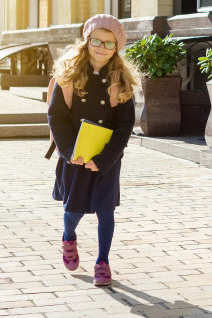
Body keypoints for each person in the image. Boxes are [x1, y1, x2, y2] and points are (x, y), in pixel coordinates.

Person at [47, 14, 138, 286]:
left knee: (105, 210)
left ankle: (103, 262)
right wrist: (67, 151)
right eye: (96, 40)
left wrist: (106, 158)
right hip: (75, 156)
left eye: (109, 43)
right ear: (87, 41)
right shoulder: (69, 75)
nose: (101, 47)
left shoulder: (120, 82)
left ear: (117, 48)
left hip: (107, 159)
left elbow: (125, 125)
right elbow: (57, 116)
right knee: (73, 209)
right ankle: (68, 237)